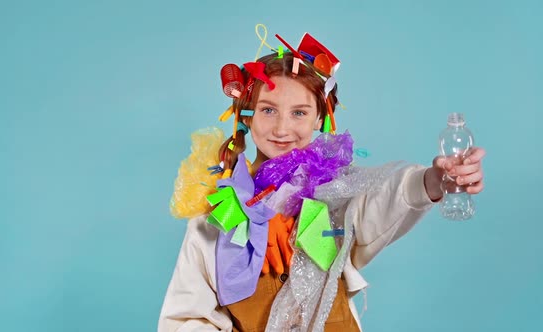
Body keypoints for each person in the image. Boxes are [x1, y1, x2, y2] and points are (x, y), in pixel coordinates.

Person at [158, 29, 485, 332]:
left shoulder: (334, 196)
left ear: (320, 116)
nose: (282, 128)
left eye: (299, 112)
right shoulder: (217, 216)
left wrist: (435, 180)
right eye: (268, 110)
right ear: (246, 114)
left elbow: (386, 195)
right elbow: (185, 318)